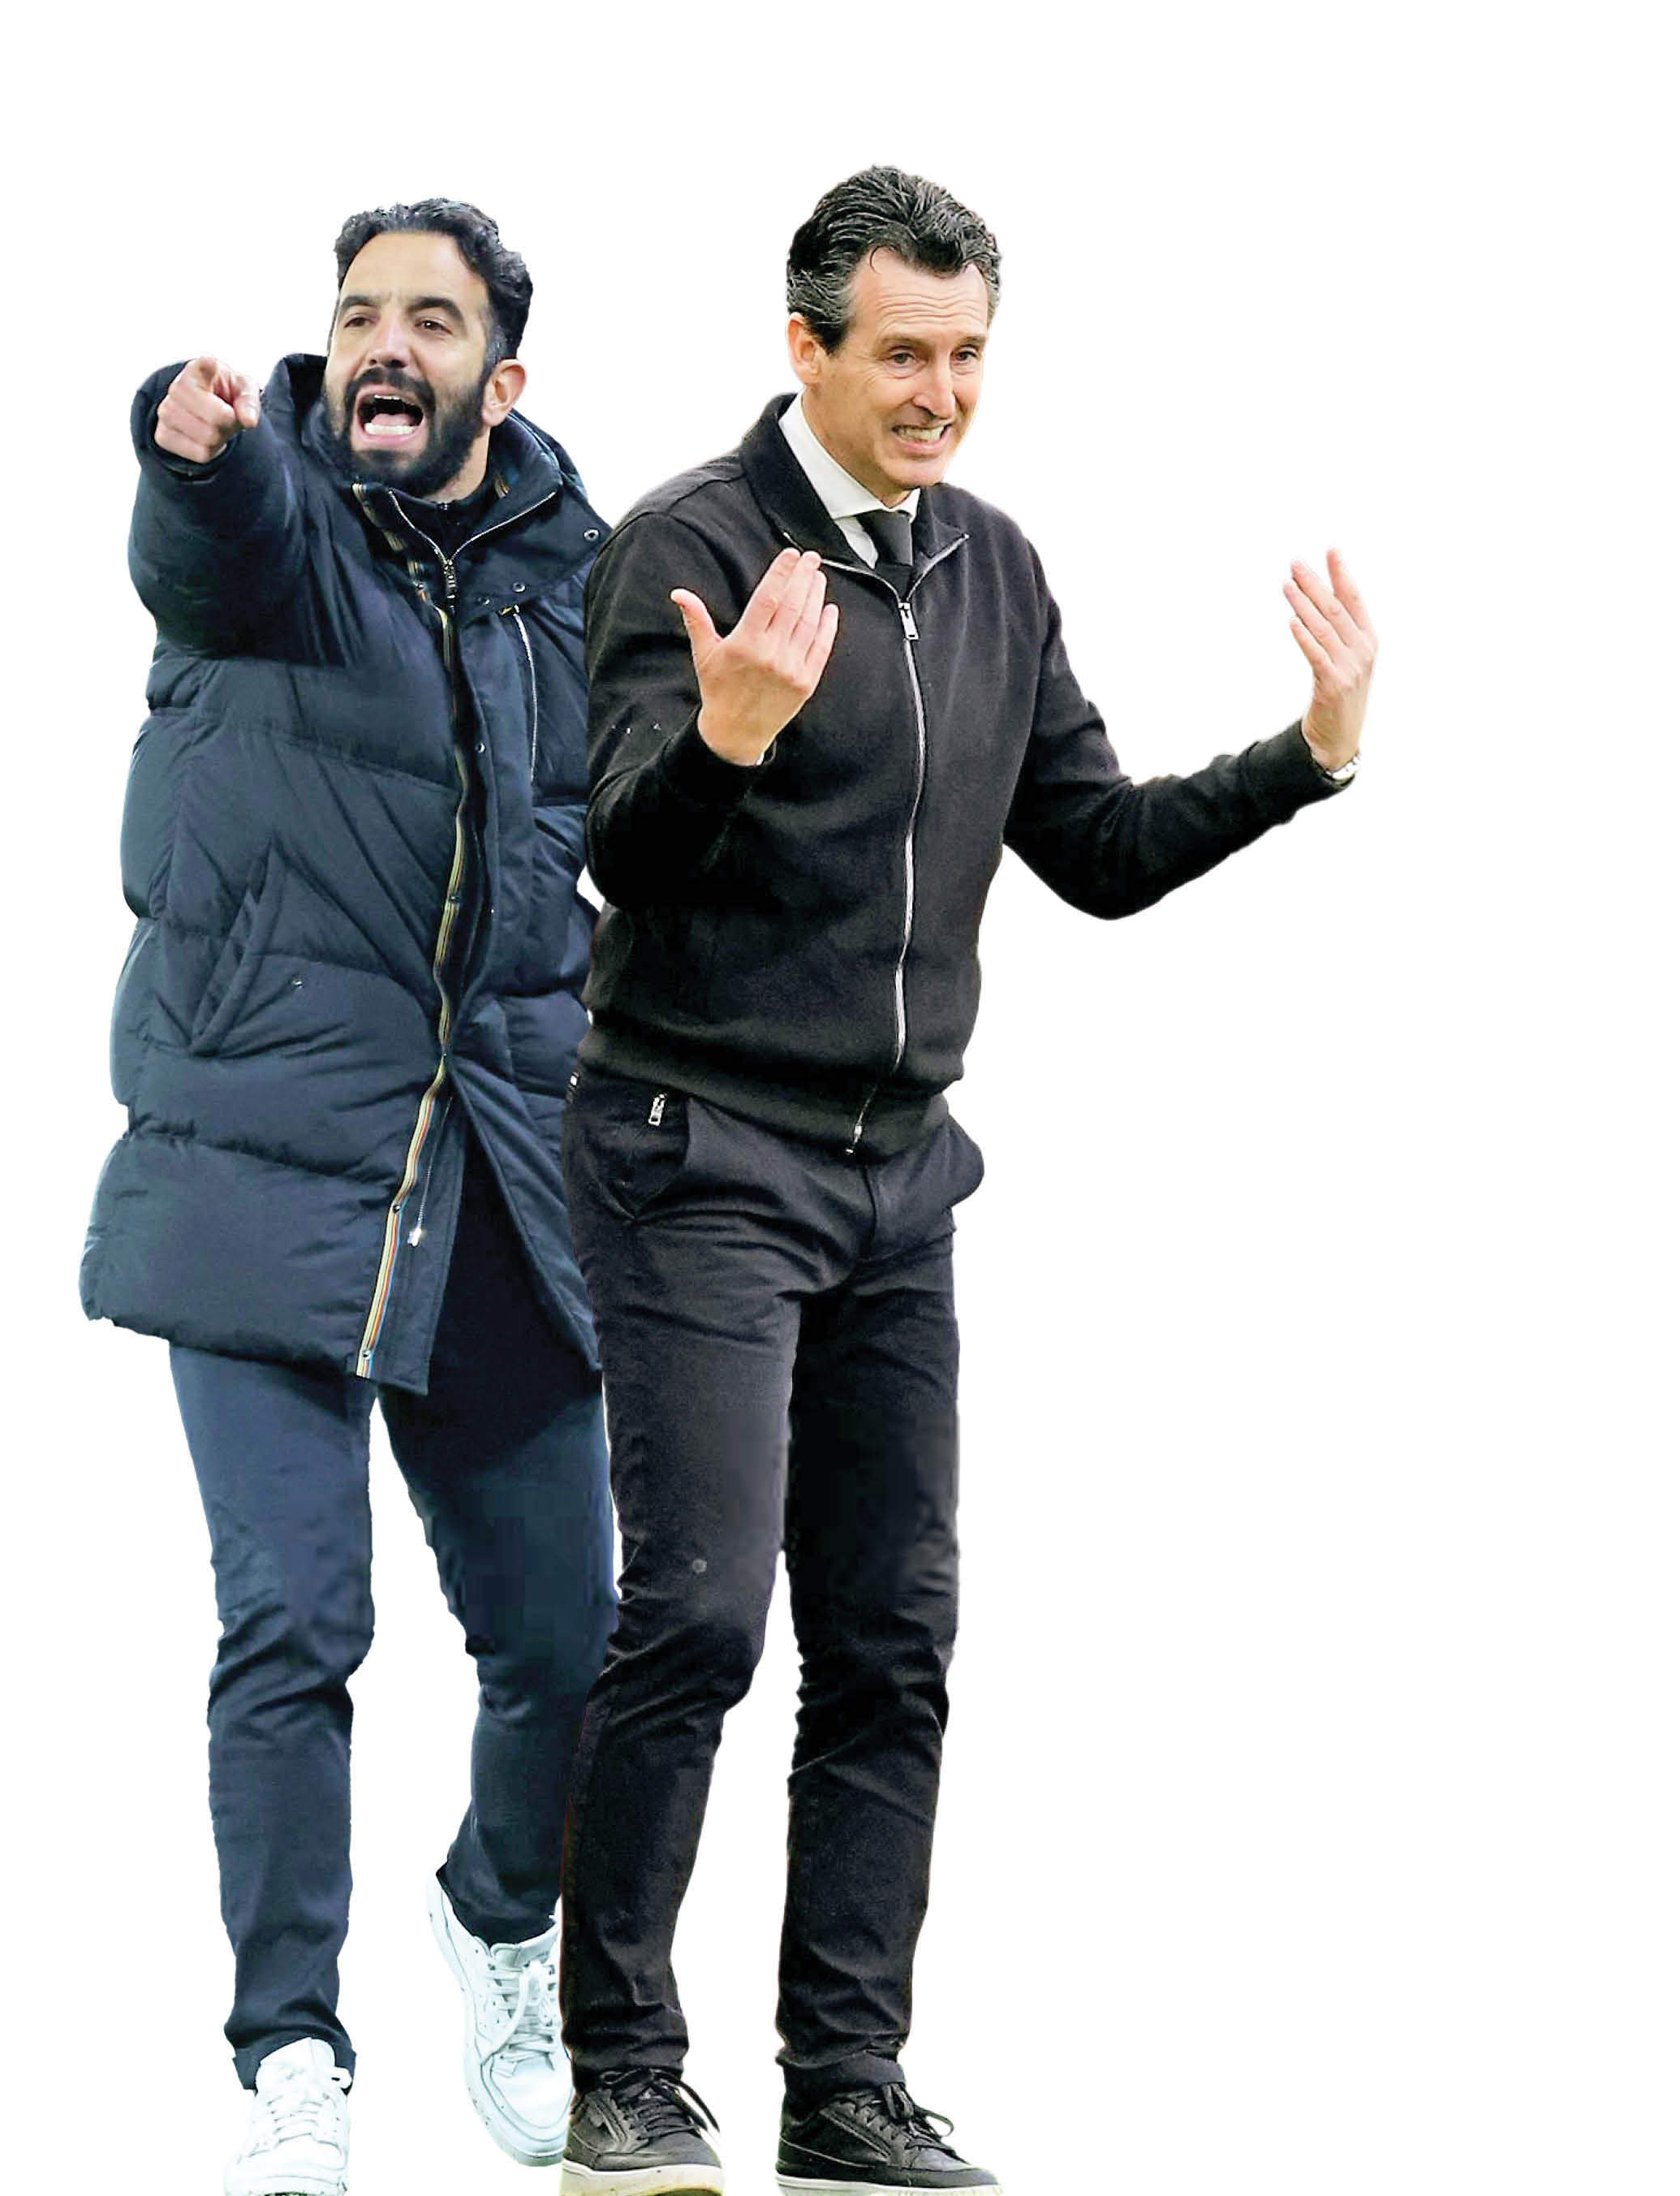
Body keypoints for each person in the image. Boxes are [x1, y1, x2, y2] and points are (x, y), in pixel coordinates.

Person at [556, 166, 1376, 2196]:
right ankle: (622, 2070)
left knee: (893, 1634)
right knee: (700, 1615)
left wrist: (1310, 750)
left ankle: (844, 2081)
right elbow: (620, 860)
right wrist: (728, 737)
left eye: (969, 357)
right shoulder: (690, 542)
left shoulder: (992, 567)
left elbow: (1094, 850)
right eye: (902, 353)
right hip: (696, 1158)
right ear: (806, 347)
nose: (940, 393)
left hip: (897, 1184)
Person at [80, 197, 618, 2195]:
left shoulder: (574, 581)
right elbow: (206, 534)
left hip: (491, 1171)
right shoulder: (281, 526)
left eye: (433, 319)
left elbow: (636, 837)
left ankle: (499, 1918)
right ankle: (292, 2054)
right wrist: (184, 437)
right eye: (360, 312)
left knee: (577, 1636)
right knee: (297, 1620)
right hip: (260, 1177)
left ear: (505, 373)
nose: (386, 343)